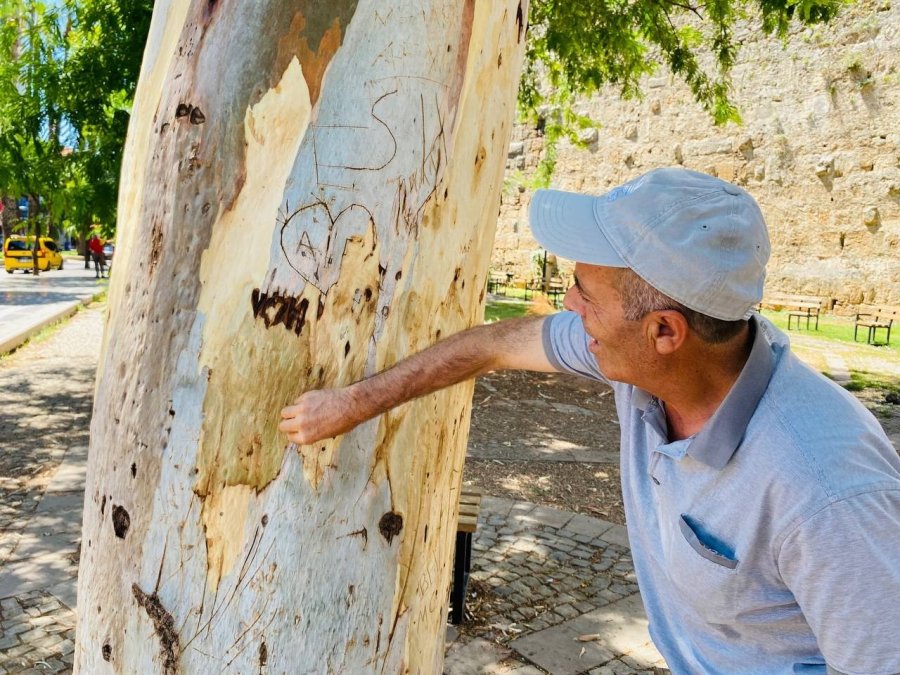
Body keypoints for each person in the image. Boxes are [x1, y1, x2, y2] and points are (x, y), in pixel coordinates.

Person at [279, 168, 900, 674]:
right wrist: (353, 404)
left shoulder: (827, 490)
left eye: (584, 291)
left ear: (664, 331)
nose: (569, 307)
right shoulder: (645, 363)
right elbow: (491, 344)